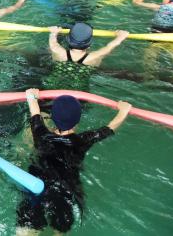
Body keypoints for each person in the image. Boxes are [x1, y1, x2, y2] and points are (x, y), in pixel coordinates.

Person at [16, 89, 131, 235]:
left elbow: (35, 111)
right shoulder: (82, 141)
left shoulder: (41, 134)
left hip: (36, 188)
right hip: (64, 194)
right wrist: (124, 111)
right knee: (60, 229)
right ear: (77, 120)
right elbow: (109, 129)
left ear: (52, 117)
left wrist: (33, 96)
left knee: (27, 229)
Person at [44, 23, 128, 90]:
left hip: (52, 84)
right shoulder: (95, 56)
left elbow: (53, 41)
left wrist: (54, 32)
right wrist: (121, 36)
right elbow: (110, 46)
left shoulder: (57, 51)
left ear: (68, 40)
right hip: (80, 89)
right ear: (89, 45)